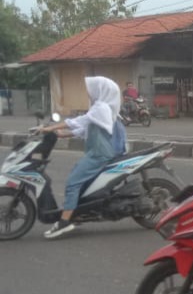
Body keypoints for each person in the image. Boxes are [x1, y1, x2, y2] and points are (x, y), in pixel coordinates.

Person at [38, 76, 127, 239]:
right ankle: (77, 212)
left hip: (99, 153)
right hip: (96, 152)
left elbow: (81, 120)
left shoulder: (101, 107)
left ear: (100, 90)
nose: (88, 93)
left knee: (73, 183)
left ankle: (65, 222)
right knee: (79, 178)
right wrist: (63, 135)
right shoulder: (102, 108)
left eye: (91, 89)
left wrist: (51, 127)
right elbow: (85, 127)